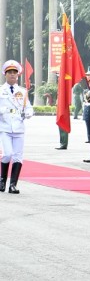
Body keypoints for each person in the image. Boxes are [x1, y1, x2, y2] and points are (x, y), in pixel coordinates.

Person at [0, 60, 34, 193]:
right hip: (5, 127)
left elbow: (29, 107)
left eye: (15, 73)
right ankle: (2, 180)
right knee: (8, 154)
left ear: (18, 75)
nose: (12, 75)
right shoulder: (1, 91)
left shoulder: (23, 92)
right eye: (10, 73)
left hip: (19, 127)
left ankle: (13, 184)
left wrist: (29, 113)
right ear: (5, 74)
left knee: (18, 156)